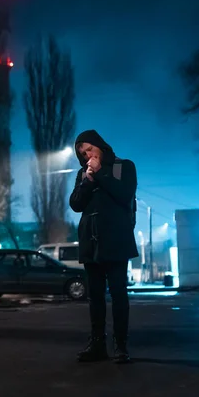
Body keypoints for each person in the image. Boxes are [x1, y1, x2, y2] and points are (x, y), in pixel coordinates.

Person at [69, 130, 138, 364]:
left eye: (90, 149)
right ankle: (97, 344)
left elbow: (124, 194)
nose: (87, 155)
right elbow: (76, 204)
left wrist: (100, 174)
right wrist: (88, 180)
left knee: (119, 294)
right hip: (91, 241)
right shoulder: (82, 174)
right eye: (83, 152)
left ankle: (121, 346)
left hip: (116, 240)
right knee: (95, 296)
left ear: (100, 146)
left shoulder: (123, 167)